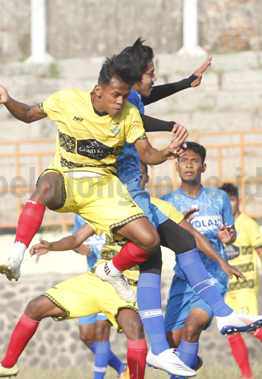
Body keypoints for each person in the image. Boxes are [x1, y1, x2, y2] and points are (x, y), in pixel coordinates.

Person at [91, 39, 262, 375]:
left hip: (131, 194)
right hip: (126, 196)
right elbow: (139, 122)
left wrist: (186, 83)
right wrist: (169, 130)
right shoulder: (120, 105)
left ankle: (177, 338)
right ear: (135, 77)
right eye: (151, 73)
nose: (155, 79)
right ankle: (117, 281)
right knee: (170, 246)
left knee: (164, 254)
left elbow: (145, 101)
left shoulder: (132, 98)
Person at [0, 50, 187, 305]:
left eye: (125, 96)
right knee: (45, 186)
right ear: (98, 90)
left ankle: (112, 271)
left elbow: (147, 154)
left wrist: (166, 152)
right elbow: (27, 114)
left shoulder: (129, 114)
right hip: (66, 178)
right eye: (115, 95)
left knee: (150, 240)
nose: (120, 101)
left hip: (103, 189)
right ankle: (16, 258)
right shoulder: (68, 100)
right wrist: (7, 100)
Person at [0, 174, 194, 379]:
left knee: (134, 327)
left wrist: (181, 233)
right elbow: (76, 238)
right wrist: (51, 246)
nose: (133, 177)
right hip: (97, 278)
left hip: (128, 286)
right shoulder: (111, 208)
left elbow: (187, 238)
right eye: (127, 173)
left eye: (139, 173)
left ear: (145, 178)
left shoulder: (158, 208)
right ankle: (7, 365)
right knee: (35, 307)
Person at [159, 142, 262, 378]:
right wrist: (178, 227)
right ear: (176, 166)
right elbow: (159, 238)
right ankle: (191, 361)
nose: (189, 165)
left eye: (194, 161)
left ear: (203, 167)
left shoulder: (219, 198)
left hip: (213, 278)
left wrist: (228, 237)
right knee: (168, 346)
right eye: (184, 160)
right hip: (183, 279)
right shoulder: (167, 203)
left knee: (192, 328)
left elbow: (230, 235)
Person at [72, 215, 126, 379]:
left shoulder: (115, 212)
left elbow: (131, 242)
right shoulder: (81, 215)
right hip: (90, 282)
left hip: (111, 282)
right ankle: (122, 368)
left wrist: (115, 250)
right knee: (86, 336)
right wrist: (78, 247)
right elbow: (74, 240)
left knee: (102, 330)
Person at [220, 183, 262, 379]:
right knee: (230, 331)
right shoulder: (218, 228)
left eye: (232, 200)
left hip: (246, 287)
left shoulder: (248, 224)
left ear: (239, 201)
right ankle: (247, 375)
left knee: (253, 328)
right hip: (227, 291)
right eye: (225, 201)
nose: (229, 204)